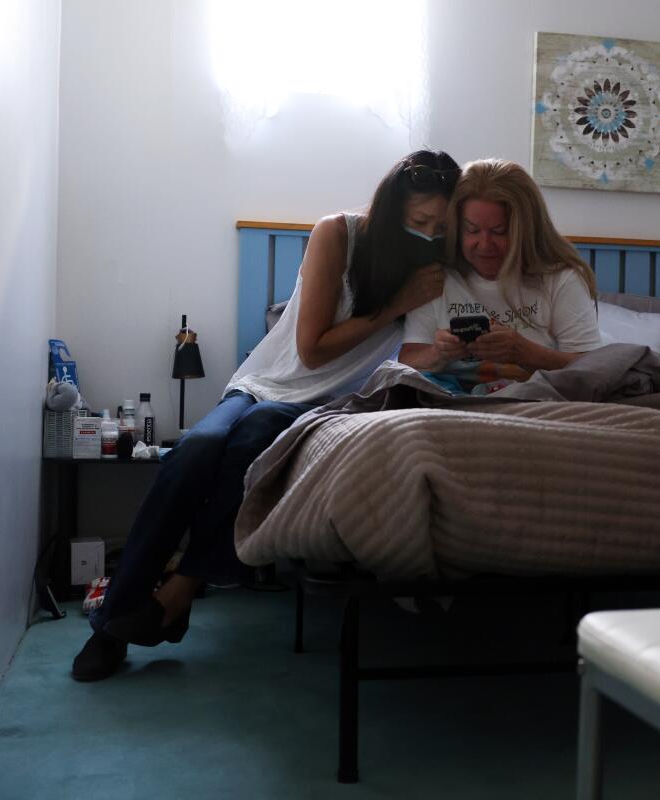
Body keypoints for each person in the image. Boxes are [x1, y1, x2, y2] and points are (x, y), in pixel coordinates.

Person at [73, 149, 461, 681]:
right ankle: (131, 612)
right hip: (266, 381)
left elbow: (420, 347)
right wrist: (394, 305)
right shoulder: (339, 235)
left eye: (441, 225)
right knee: (196, 449)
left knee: (252, 439)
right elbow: (312, 350)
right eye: (419, 222)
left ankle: (162, 601)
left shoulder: (438, 270)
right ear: (392, 209)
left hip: (329, 404)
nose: (430, 233)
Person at [399, 159, 599, 393]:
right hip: (449, 404)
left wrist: (524, 353)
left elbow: (594, 369)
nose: (484, 245)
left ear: (525, 230)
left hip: (534, 404)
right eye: (472, 230)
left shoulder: (560, 279)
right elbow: (406, 362)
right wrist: (438, 353)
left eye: (499, 232)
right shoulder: (435, 278)